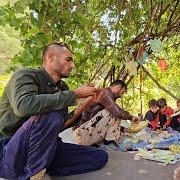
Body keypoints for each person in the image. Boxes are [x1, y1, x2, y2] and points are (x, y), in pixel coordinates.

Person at [0, 43, 108, 179]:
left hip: (45, 148)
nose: (72, 65)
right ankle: (31, 175)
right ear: (51, 57)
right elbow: (23, 106)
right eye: (68, 60)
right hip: (10, 149)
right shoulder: (25, 75)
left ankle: (42, 166)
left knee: (99, 157)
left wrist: (85, 104)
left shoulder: (62, 88)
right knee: (53, 113)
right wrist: (74, 94)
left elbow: (58, 125)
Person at [71, 80, 139, 146]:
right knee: (113, 112)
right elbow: (118, 112)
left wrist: (125, 129)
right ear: (118, 87)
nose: (121, 96)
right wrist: (131, 117)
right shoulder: (104, 93)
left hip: (86, 130)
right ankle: (109, 141)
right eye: (122, 92)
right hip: (81, 133)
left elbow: (107, 123)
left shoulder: (106, 97)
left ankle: (109, 141)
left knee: (115, 113)